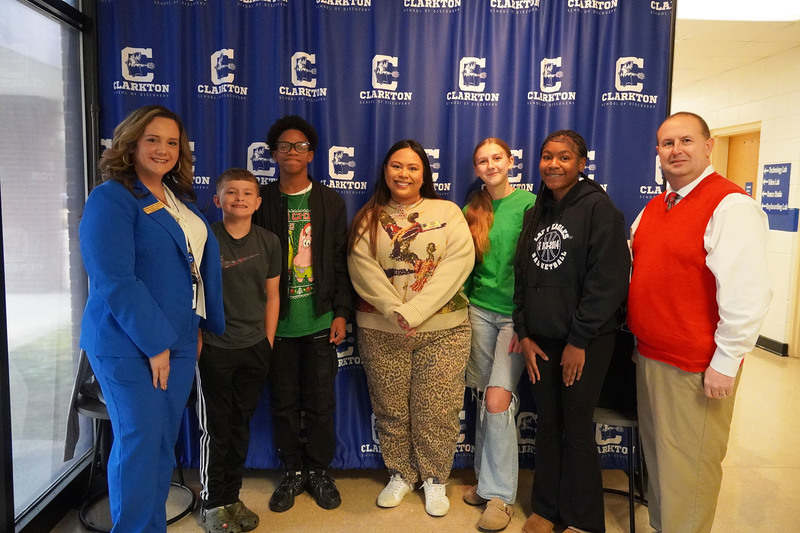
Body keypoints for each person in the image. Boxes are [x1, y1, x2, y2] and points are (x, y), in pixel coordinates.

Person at [79, 105, 224, 532]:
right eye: (153, 139)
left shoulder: (176, 199)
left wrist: (195, 326)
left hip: (180, 339)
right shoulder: (112, 197)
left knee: (161, 442)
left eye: (172, 142)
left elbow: (190, 268)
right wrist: (155, 343)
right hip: (129, 342)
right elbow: (115, 278)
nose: (164, 149)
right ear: (131, 143)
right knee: (140, 443)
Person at [628, 112, 771, 533]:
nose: (676, 150)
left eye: (686, 141)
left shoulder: (730, 206)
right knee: (662, 467)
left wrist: (726, 361)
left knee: (689, 473)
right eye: (667, 143)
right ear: (658, 152)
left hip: (695, 368)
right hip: (652, 357)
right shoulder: (655, 207)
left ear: (708, 146)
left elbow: (748, 293)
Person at [347, 139, 475, 517]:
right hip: (381, 329)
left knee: (437, 409)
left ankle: (434, 479)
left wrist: (415, 310)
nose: (403, 174)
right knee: (390, 409)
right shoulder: (368, 217)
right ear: (385, 171)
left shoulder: (447, 212)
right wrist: (395, 311)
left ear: (424, 174)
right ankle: (401, 473)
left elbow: (458, 262)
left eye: (412, 167)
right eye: (396, 166)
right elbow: (361, 267)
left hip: (444, 329)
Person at [515, 130, 630, 533]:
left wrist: (578, 340)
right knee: (547, 424)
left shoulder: (599, 209)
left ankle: (582, 520)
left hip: (586, 342)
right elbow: (522, 277)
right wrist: (524, 333)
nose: (553, 164)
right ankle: (547, 509)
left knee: (576, 428)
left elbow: (608, 283)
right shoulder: (536, 211)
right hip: (541, 341)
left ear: (581, 164)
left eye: (564, 157)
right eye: (547, 156)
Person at [253, 115, 351, 513]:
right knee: (283, 404)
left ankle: (319, 471)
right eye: (284, 146)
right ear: (274, 154)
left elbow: (341, 261)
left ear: (311, 154)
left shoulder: (330, 202)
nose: (292, 151)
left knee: (321, 403)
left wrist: (341, 311)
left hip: (320, 321)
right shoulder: (260, 200)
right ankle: (292, 471)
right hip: (276, 325)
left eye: (300, 146)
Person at [196, 168, 281, 533]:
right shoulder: (205, 238)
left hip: (254, 348)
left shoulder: (269, 242)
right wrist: (198, 340)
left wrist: (267, 342)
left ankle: (232, 497)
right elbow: (193, 293)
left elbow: (272, 296)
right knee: (216, 429)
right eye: (231, 192)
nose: (240, 198)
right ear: (218, 200)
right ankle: (212, 503)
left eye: (247, 193)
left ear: (258, 202)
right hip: (215, 348)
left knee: (240, 426)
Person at [461, 138, 536, 532]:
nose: (490, 165)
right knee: (482, 397)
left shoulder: (530, 204)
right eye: (482, 161)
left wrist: (526, 321)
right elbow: (463, 265)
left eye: (496, 158)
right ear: (476, 169)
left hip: (514, 317)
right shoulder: (471, 209)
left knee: (497, 399)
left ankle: (501, 498)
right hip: (477, 310)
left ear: (510, 161)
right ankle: (485, 482)